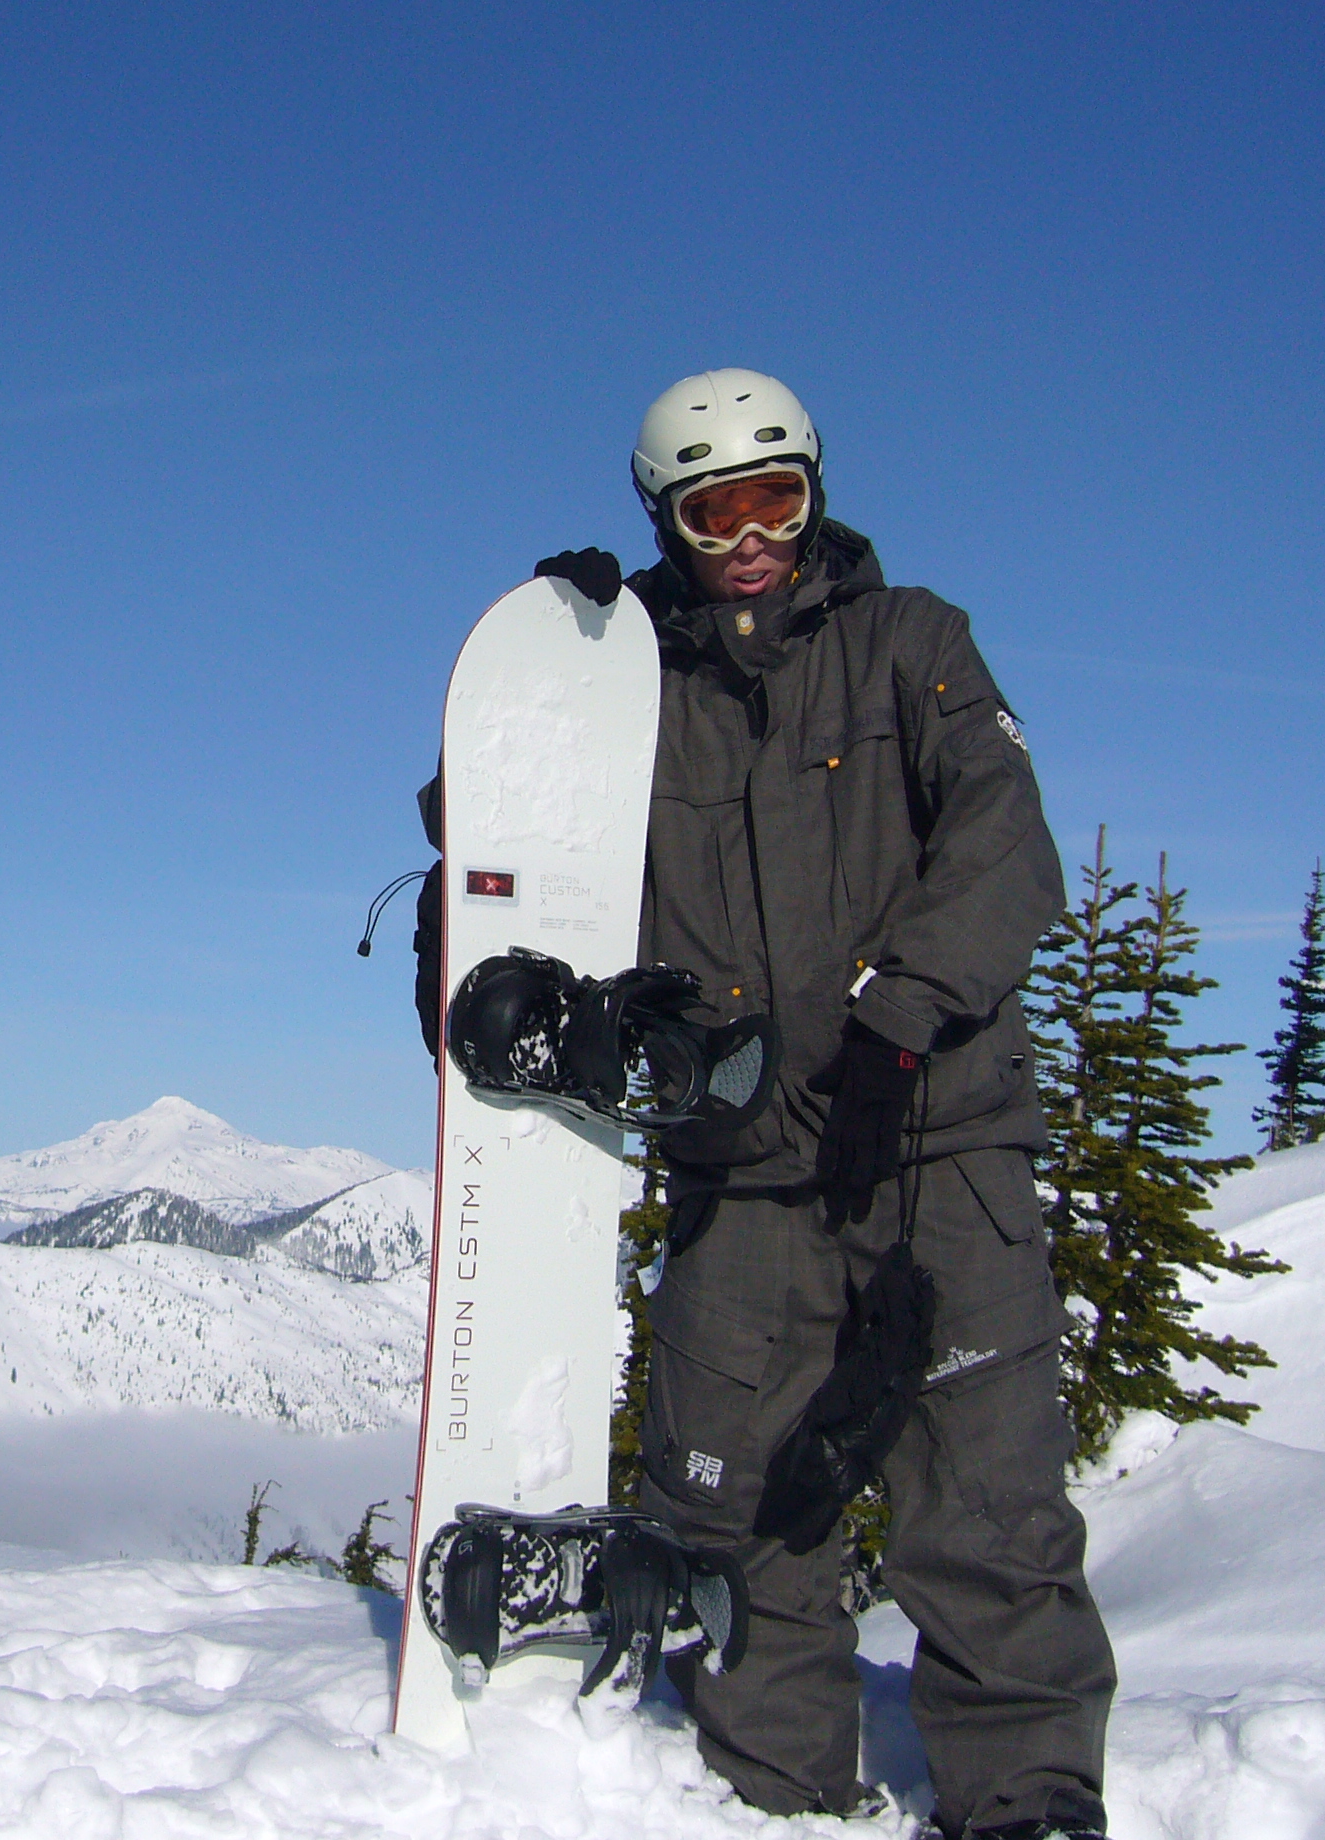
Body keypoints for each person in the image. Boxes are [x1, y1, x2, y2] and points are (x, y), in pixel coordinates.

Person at [414, 369, 1115, 1840]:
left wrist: (900, 1024)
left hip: (935, 1145)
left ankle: (1027, 1800)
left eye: (771, 499)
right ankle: (779, 1800)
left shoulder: (914, 646)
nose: (745, 536)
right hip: (739, 1171)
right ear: (665, 520)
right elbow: (491, 834)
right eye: (708, 509)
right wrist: (566, 672)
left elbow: (1007, 843)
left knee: (984, 1509)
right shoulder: (638, 687)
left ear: (814, 494)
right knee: (734, 1518)